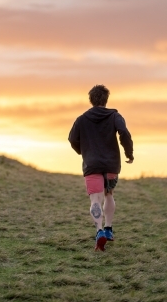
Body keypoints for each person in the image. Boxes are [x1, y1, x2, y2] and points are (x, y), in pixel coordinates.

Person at [68, 84, 134, 251]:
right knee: (109, 194)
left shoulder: (81, 119)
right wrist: (129, 153)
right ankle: (109, 229)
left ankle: (99, 231)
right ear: (106, 99)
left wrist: (83, 151)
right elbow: (124, 133)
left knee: (95, 199)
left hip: (92, 164)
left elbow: (72, 139)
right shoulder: (114, 115)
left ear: (91, 100)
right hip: (111, 164)